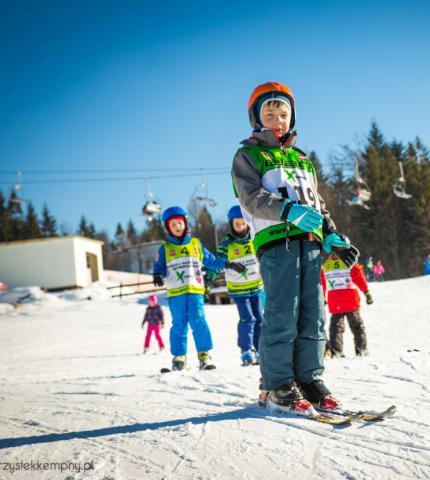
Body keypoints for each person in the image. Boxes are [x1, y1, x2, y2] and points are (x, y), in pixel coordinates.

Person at [231, 81, 359, 415]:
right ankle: (277, 383)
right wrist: (287, 211)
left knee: (313, 314)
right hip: (277, 243)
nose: (277, 119)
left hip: (311, 244)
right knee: (283, 312)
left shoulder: (302, 159)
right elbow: (252, 198)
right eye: (269, 112)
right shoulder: (248, 154)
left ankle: (310, 379)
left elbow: (316, 203)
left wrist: (330, 234)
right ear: (256, 118)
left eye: (283, 113)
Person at [152, 206, 227, 371]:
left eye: (179, 223)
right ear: (168, 228)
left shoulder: (196, 244)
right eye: (173, 225)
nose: (177, 227)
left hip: (195, 292)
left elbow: (212, 261)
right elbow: (159, 266)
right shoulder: (165, 248)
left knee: (199, 321)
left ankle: (204, 355)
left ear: (185, 224)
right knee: (179, 325)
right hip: (176, 294)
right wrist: (157, 274)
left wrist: (227, 262)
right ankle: (179, 357)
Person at [218, 205, 265, 366]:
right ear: (231, 224)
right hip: (239, 289)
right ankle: (246, 350)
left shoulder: (254, 237)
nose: (240, 227)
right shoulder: (227, 242)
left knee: (259, 318)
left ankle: (259, 349)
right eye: (237, 224)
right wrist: (229, 264)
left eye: (243, 223)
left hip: (256, 287)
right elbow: (218, 261)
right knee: (248, 318)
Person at [321, 253, 373, 358]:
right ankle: (361, 349)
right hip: (351, 301)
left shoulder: (326, 266)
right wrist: (366, 292)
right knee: (357, 326)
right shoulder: (349, 262)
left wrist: (323, 298)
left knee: (336, 328)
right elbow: (359, 277)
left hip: (335, 302)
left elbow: (322, 284)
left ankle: (336, 351)